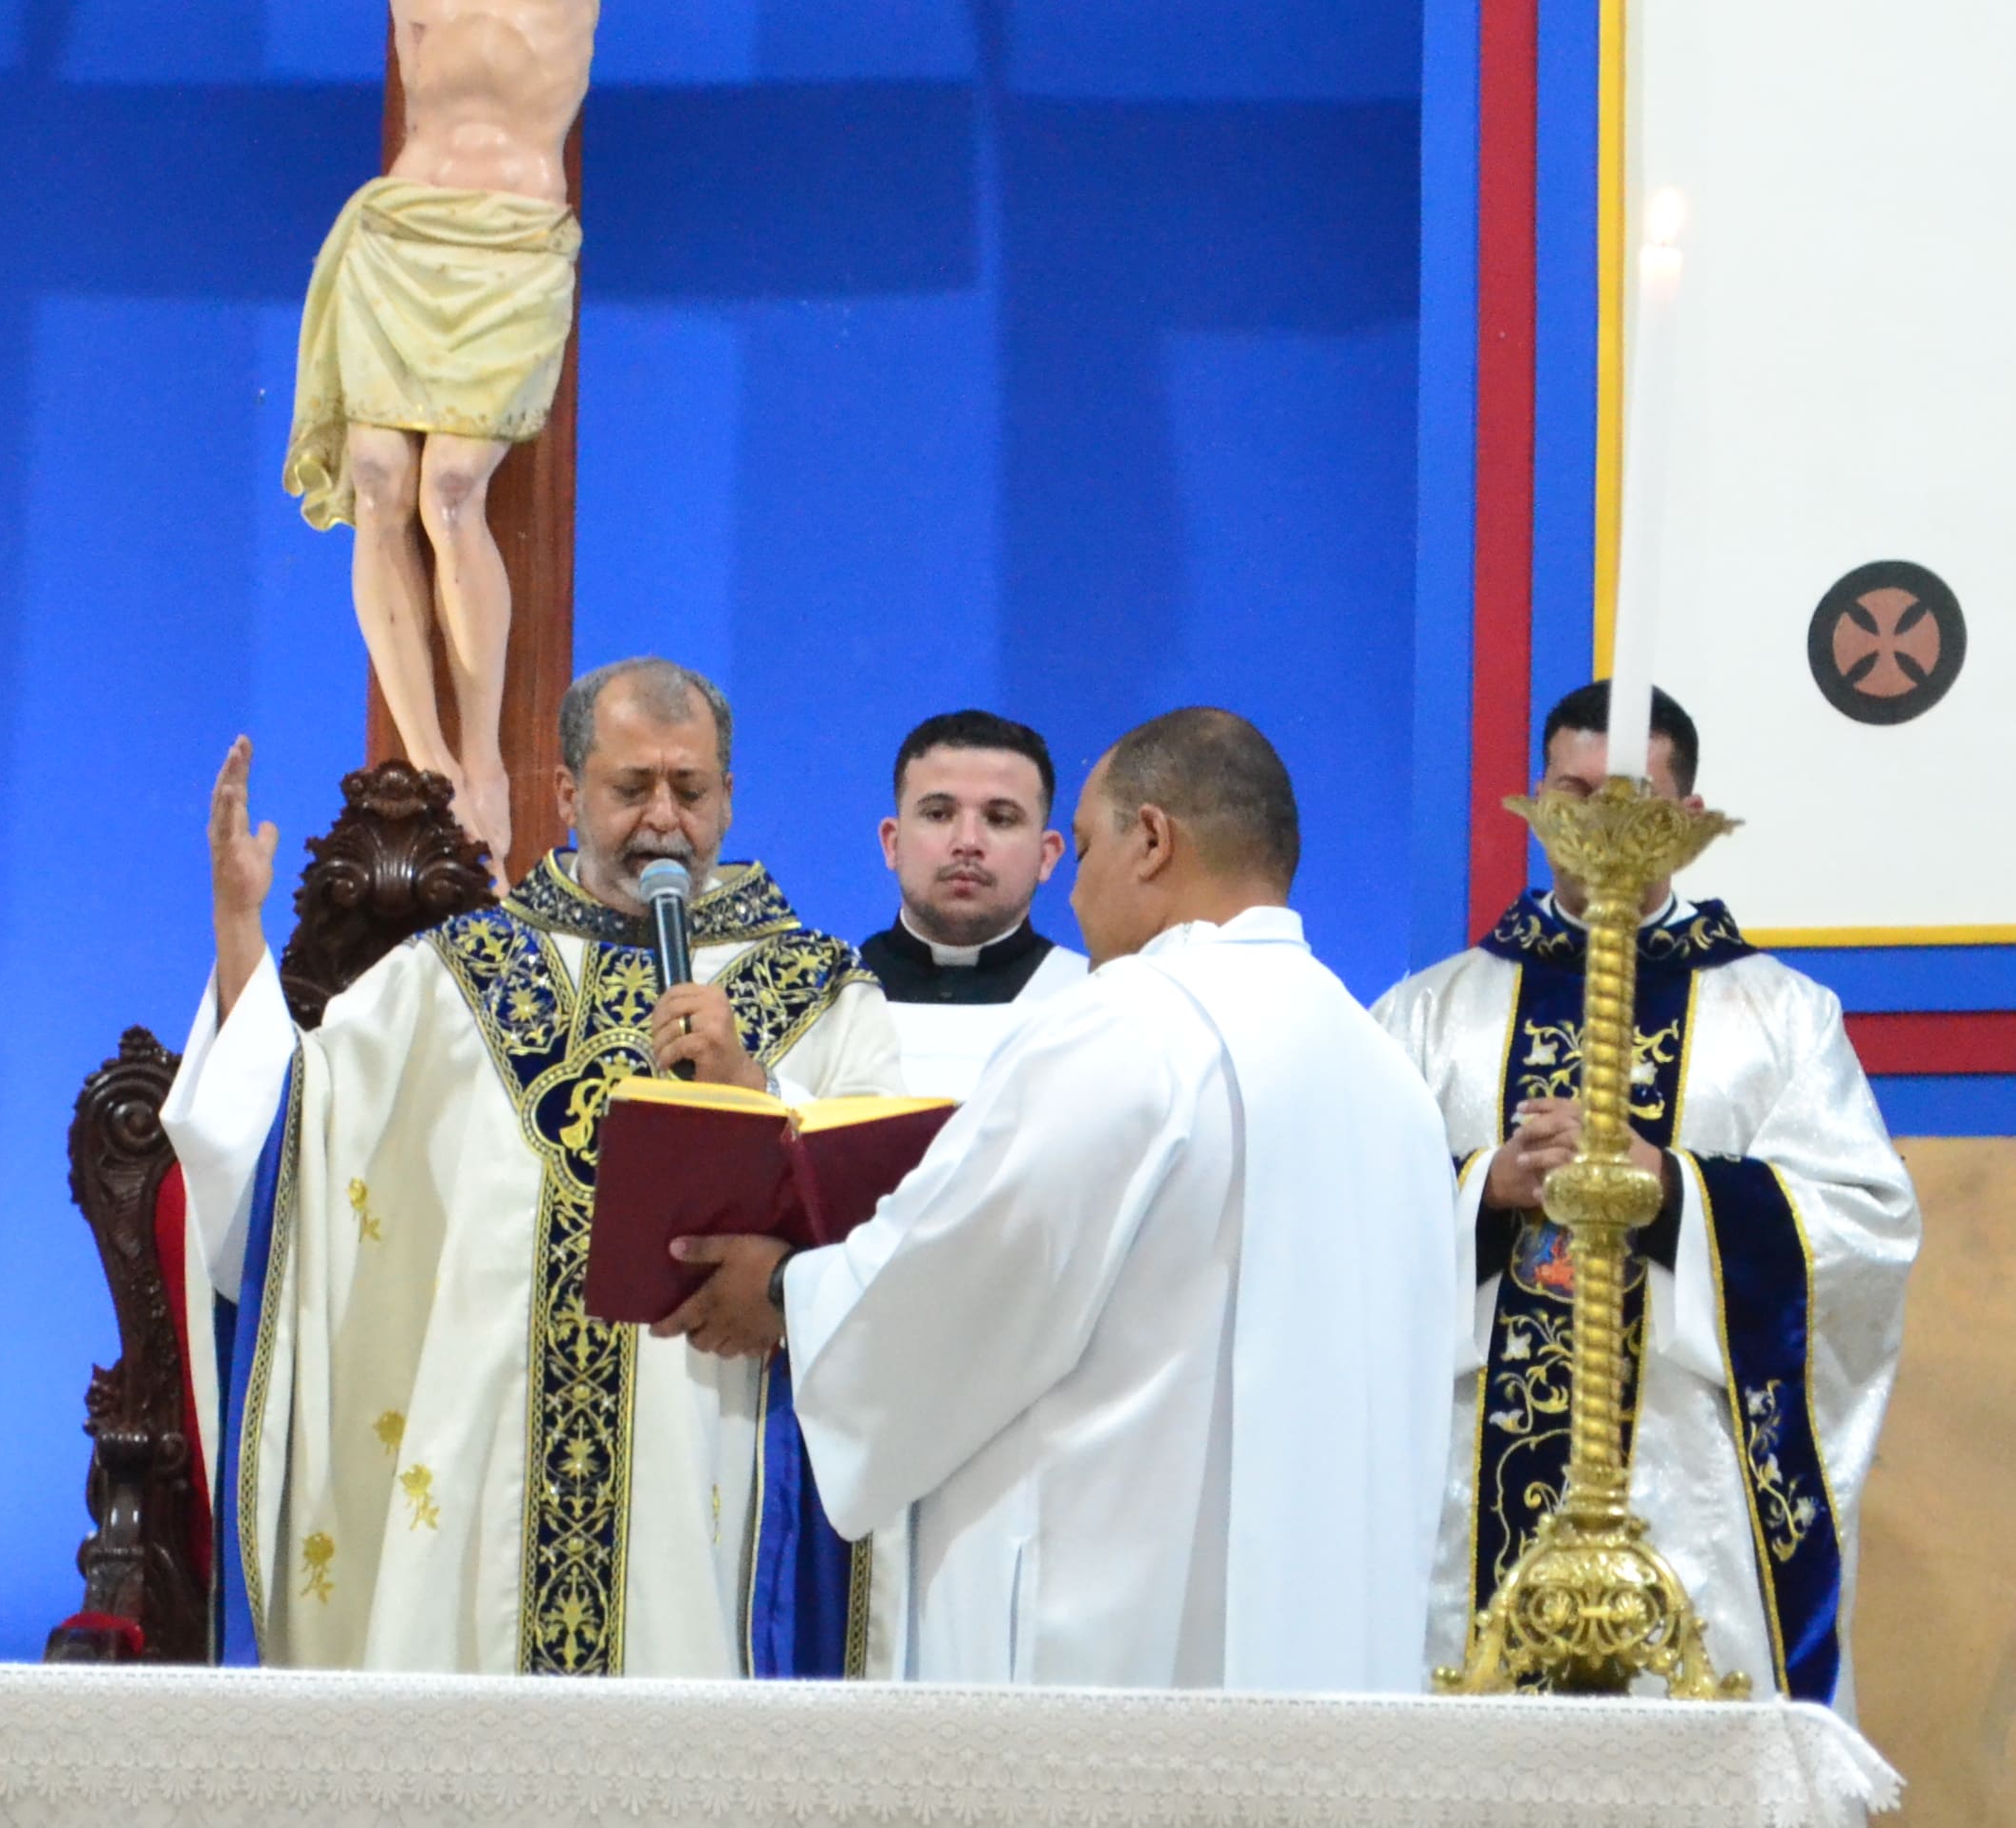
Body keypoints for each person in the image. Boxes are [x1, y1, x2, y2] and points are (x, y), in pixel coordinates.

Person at [0, 0, 1071, 857]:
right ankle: (428, 761)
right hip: (401, 228)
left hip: (514, 239)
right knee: (380, 481)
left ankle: (481, 753)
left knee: (452, 488)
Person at [667, 707, 1455, 1691]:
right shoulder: (1384, 1071)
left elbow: (968, 1275)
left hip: (1119, 1656)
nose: (1074, 892)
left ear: (1152, 841)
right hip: (1335, 1656)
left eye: (1080, 848)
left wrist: (784, 1292)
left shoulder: (1130, 1028)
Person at [229, 656, 906, 1675]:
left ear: (729, 797)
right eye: (632, 787)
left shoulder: (819, 989)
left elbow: (889, 1210)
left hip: (712, 1462)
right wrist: (239, 929)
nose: (663, 820)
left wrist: (755, 1086)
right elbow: (304, 1126)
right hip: (483, 1477)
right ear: (566, 792)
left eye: (690, 789)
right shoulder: (460, 974)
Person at [1367, 683, 1918, 1709]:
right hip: (1465, 1491)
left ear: (1688, 817)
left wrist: (1670, 1186)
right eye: (1573, 795)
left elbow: (1865, 1224)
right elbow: (1344, 1217)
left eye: (1631, 799)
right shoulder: (1430, 1015)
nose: (1599, 825)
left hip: (1683, 1495)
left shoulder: (1779, 1017)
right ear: (1537, 802)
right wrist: (1485, 1187)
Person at [855, 707, 1088, 1101]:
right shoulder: (821, 1002)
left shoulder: (1092, 1004)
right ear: (892, 843)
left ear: (1046, 856)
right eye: (938, 814)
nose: (967, 842)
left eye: (1000, 818)